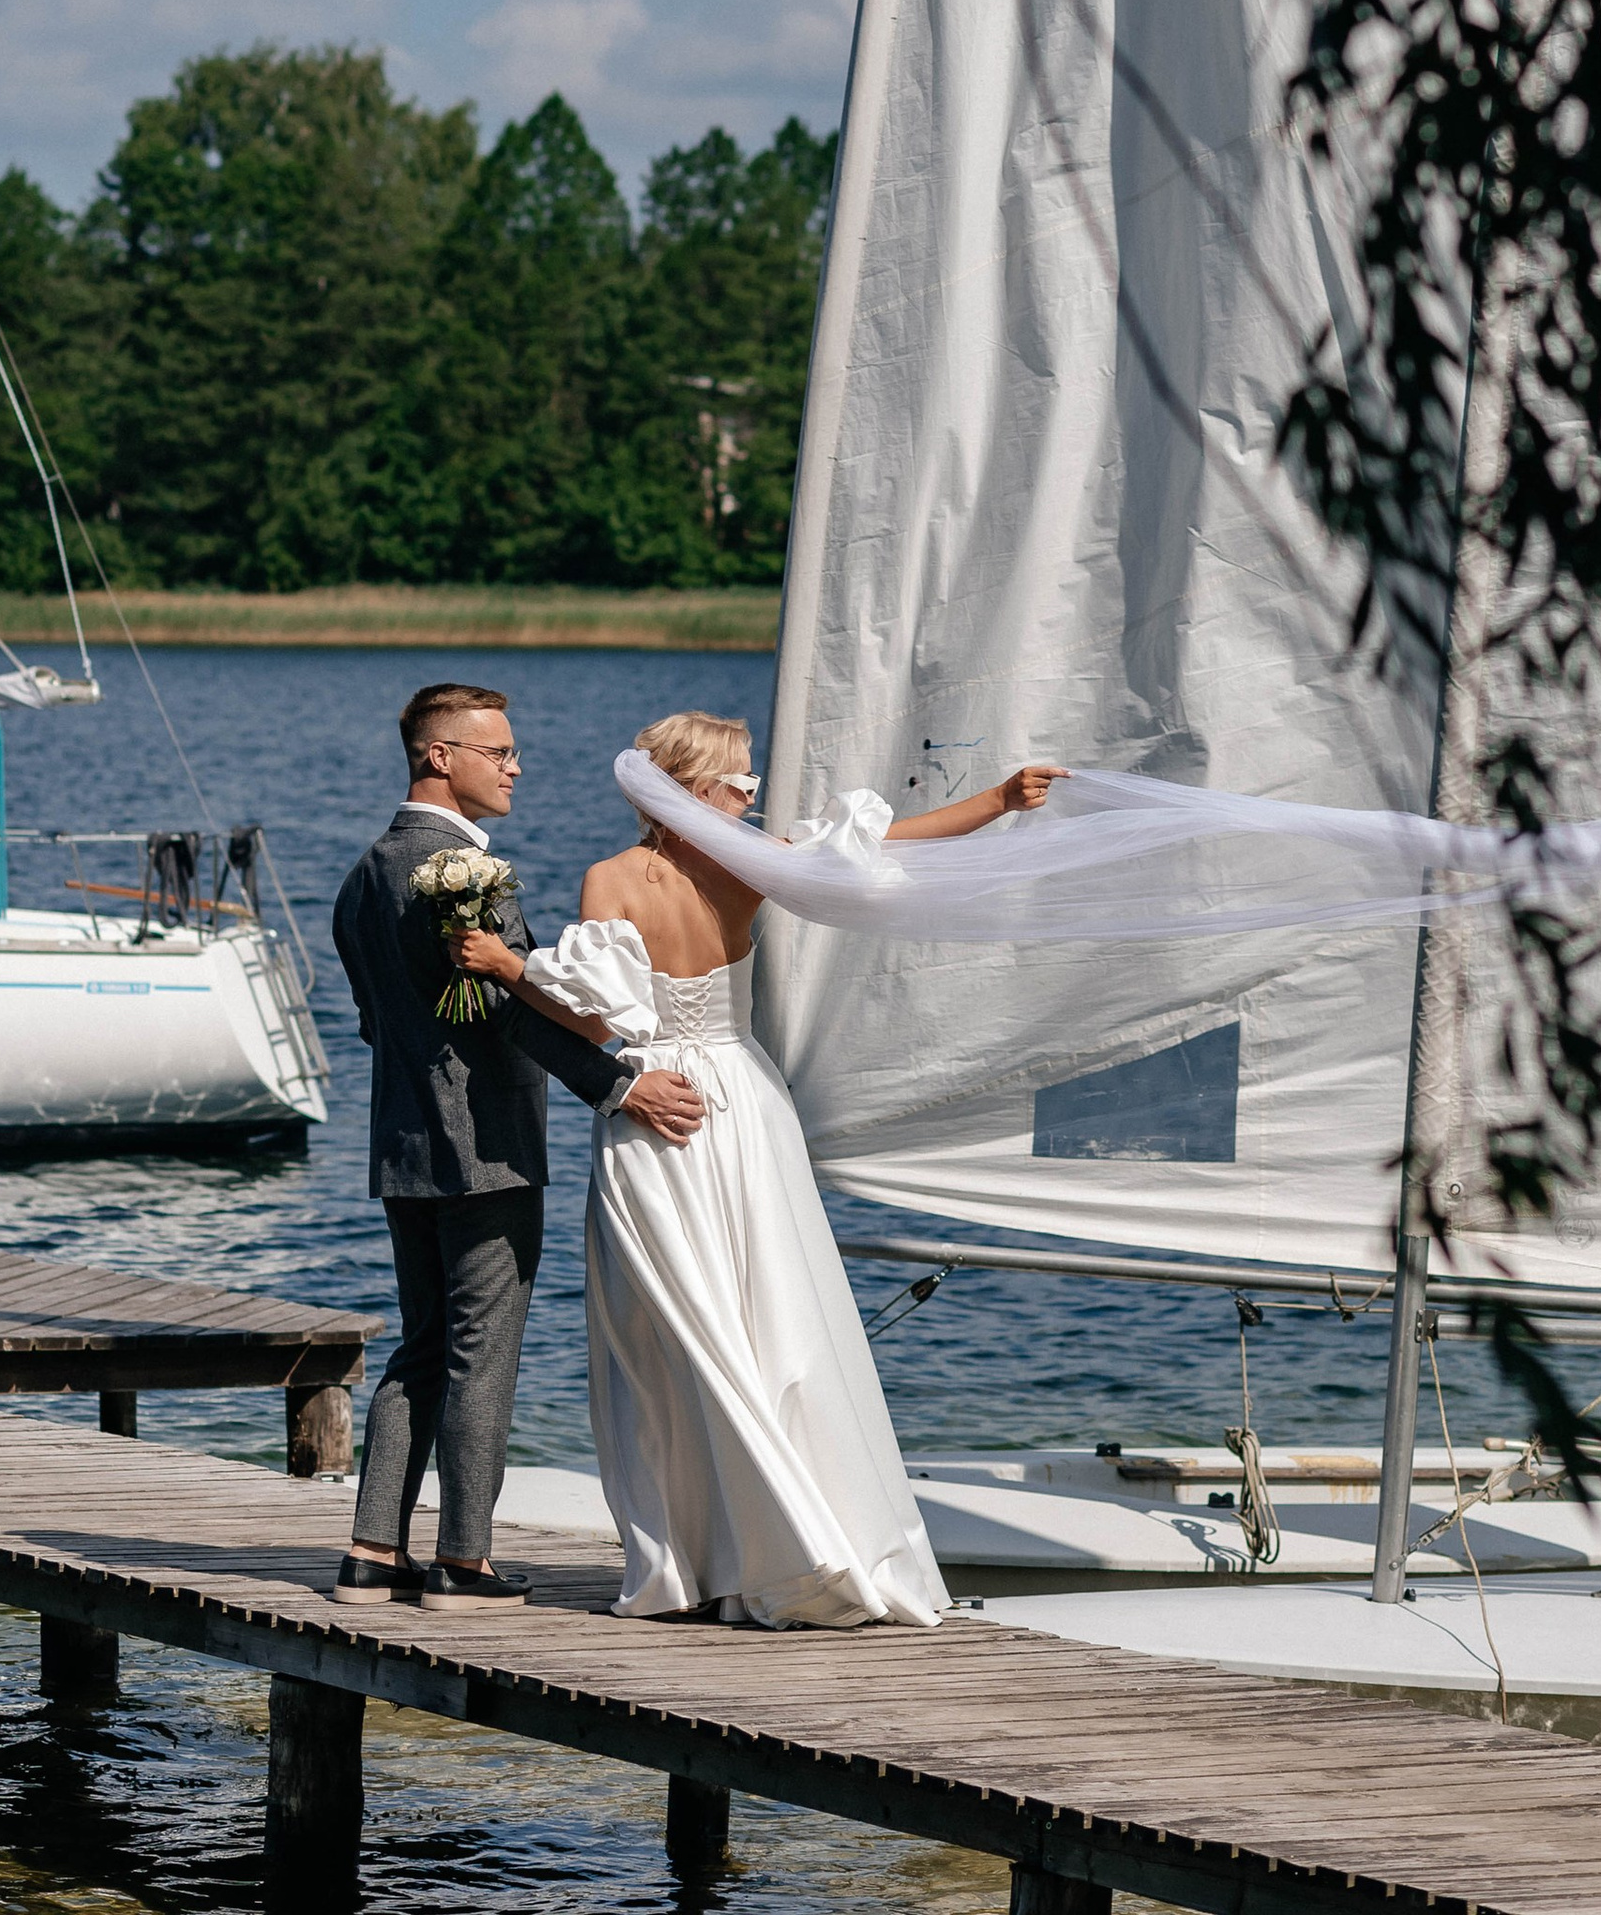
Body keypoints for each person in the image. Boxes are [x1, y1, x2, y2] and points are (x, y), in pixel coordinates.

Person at [450, 707, 1064, 1627]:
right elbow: (888, 840)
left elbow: (591, 1021)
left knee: (669, 1335)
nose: (749, 797)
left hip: (655, 1107)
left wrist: (506, 964)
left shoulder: (612, 878)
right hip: (743, 1100)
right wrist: (1000, 799)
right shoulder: (754, 862)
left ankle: (701, 1556)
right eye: (738, 783)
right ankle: (789, 1541)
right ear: (694, 790)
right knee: (772, 1316)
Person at [331, 680, 707, 1610]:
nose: (516, 766)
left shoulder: (364, 873)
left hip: (404, 1145)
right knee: (480, 1353)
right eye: (498, 752)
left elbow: (375, 1018)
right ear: (440, 757)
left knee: (421, 1346)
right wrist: (622, 1084)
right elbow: (516, 1016)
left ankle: (373, 1552)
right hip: (488, 1147)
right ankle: (465, 1560)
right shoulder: (464, 877)